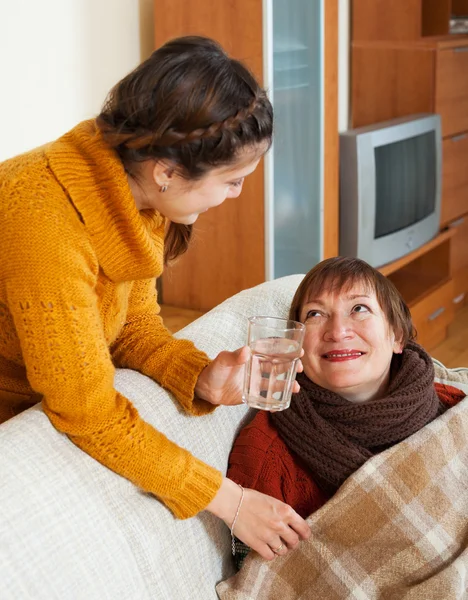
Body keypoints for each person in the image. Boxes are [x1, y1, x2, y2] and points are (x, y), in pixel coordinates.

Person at [0, 36, 310, 560]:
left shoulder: (138, 194)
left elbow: (132, 325)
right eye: (232, 181)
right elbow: (87, 412)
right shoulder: (44, 224)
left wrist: (197, 373)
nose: (237, 196)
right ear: (166, 171)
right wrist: (231, 501)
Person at [227, 256, 465, 567]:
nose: (337, 331)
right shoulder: (264, 456)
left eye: (359, 309)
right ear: (296, 343)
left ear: (397, 335)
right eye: (315, 314)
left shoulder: (452, 405)